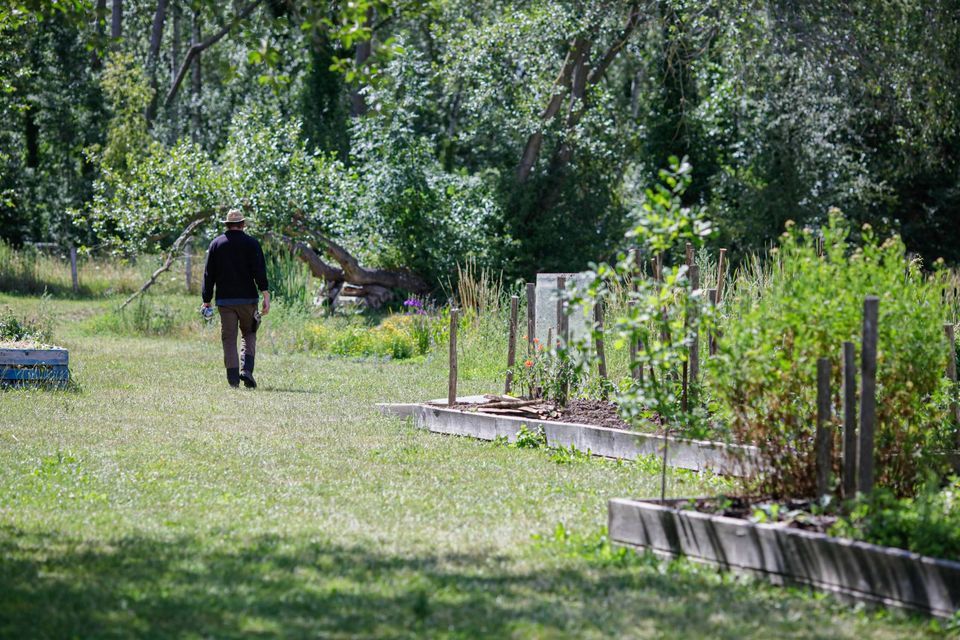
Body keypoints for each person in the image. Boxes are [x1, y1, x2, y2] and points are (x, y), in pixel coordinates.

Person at [201, 209, 270, 388]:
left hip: (225, 301)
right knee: (249, 333)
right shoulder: (252, 243)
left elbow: (209, 275)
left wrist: (206, 299)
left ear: (227, 224)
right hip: (248, 299)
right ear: (243, 224)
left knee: (229, 338)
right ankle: (246, 371)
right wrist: (265, 294)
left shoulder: (216, 244)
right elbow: (260, 272)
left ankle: (233, 380)